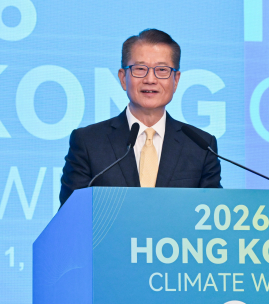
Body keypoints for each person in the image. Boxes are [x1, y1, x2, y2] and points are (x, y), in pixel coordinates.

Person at [59, 28, 221, 206]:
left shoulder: (201, 146)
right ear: (123, 78)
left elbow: (212, 215)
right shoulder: (88, 142)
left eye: (162, 70)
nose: (150, 79)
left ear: (176, 80)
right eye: (140, 69)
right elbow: (70, 214)